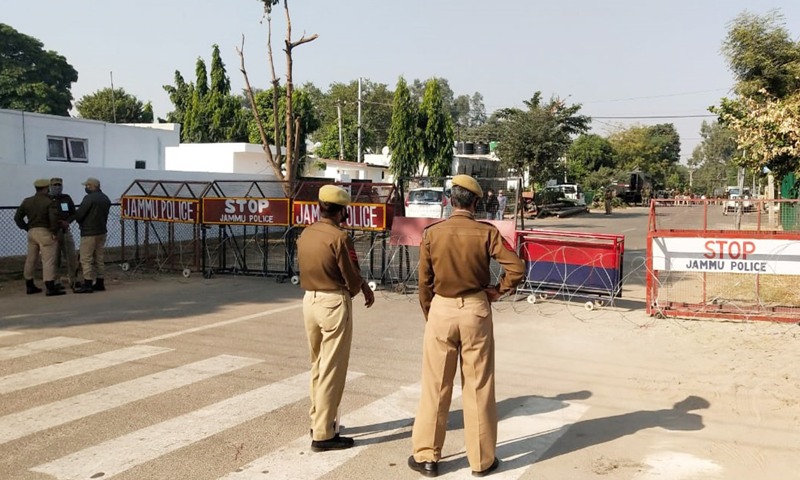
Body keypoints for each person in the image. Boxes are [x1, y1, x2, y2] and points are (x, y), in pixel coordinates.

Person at [408, 174, 525, 478]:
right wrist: (498, 290)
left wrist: (430, 313)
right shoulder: (486, 233)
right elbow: (517, 268)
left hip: (441, 309)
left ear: (449, 200)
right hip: (476, 308)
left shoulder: (433, 233)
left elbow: (424, 282)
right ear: (476, 202)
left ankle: (427, 458)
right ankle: (481, 461)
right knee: (478, 387)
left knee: (436, 385)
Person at [296, 184, 375, 452]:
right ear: (341, 211)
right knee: (333, 369)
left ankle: (317, 419)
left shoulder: (306, 233)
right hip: (333, 302)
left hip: (310, 301)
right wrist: (360, 288)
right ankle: (323, 434)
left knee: (317, 365)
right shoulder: (339, 237)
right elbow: (350, 273)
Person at [14, 179, 65, 296]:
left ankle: (29, 285)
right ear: (46, 188)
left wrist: (26, 227)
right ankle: (50, 287)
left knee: (31, 259)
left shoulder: (27, 201)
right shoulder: (49, 202)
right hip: (45, 232)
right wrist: (54, 231)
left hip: (32, 232)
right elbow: (53, 218)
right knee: (48, 260)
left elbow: (17, 218)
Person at [73, 177, 111, 294]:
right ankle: (100, 282)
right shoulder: (105, 198)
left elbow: (80, 214)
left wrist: (77, 218)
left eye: (87, 186)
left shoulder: (89, 198)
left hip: (89, 232)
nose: (86, 188)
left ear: (92, 186)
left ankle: (88, 283)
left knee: (86, 258)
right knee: (99, 257)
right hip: (102, 231)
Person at [49, 177, 80, 291]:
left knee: (71, 256)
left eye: (59, 185)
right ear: (50, 186)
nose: (57, 187)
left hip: (65, 231)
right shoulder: (47, 199)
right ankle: (55, 281)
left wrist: (68, 222)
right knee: (54, 258)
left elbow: (73, 213)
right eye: (54, 185)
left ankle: (73, 279)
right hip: (53, 232)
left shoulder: (66, 198)